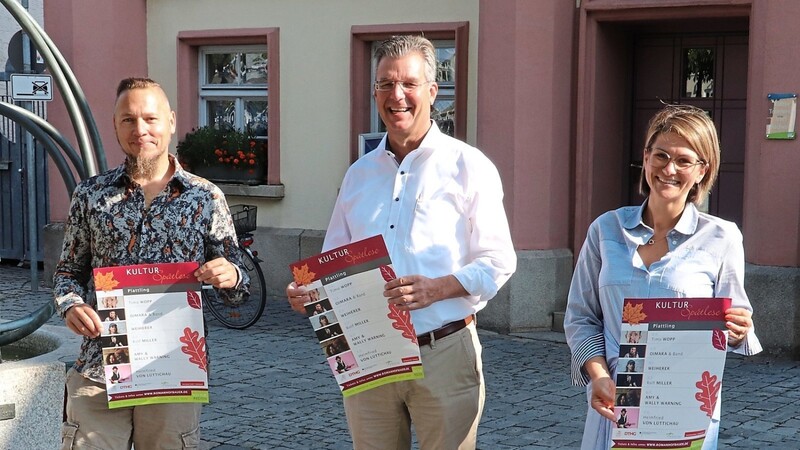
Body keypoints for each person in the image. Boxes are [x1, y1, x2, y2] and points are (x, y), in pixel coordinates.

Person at [286, 35, 516, 449]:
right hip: (370, 353)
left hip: (443, 348)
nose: (397, 96)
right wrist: (308, 290)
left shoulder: (468, 165)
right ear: (375, 91)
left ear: (432, 91)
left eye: (409, 83)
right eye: (385, 84)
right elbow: (333, 262)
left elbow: (498, 260)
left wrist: (439, 287)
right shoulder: (358, 174)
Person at [53, 77, 248, 450]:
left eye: (150, 118)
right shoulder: (90, 195)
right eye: (128, 120)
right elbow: (67, 274)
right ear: (114, 126)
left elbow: (241, 291)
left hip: (172, 371)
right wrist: (71, 305)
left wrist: (231, 275)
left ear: (171, 121)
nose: (140, 129)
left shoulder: (205, 197)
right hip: (99, 368)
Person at [564, 104, 762, 450]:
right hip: (614, 404)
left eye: (684, 160)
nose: (669, 169)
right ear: (645, 157)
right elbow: (581, 318)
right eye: (661, 155)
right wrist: (599, 376)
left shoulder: (722, 237)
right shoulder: (605, 230)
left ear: (703, 170)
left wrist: (739, 328)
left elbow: (736, 325)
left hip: (682, 413)